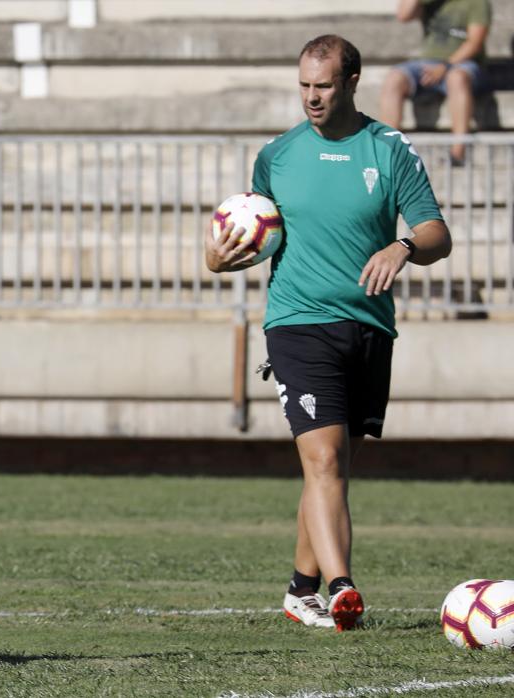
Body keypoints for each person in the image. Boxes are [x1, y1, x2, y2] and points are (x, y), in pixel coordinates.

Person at [206, 35, 451, 631]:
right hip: (297, 322)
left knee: (335, 468)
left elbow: (437, 234)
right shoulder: (277, 155)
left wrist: (402, 246)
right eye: (304, 86)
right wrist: (217, 259)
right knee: (322, 461)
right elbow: (250, 231)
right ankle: (343, 588)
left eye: (323, 86)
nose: (311, 98)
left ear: (352, 81)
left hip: (369, 327)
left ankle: (301, 590)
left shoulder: (389, 149)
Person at [378, 0, 491, 166]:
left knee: (456, 78)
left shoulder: (477, 3)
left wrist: (445, 66)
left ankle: (458, 152)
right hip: (426, 64)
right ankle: (389, 150)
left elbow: (474, 42)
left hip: (463, 64)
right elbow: (403, 15)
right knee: (394, 78)